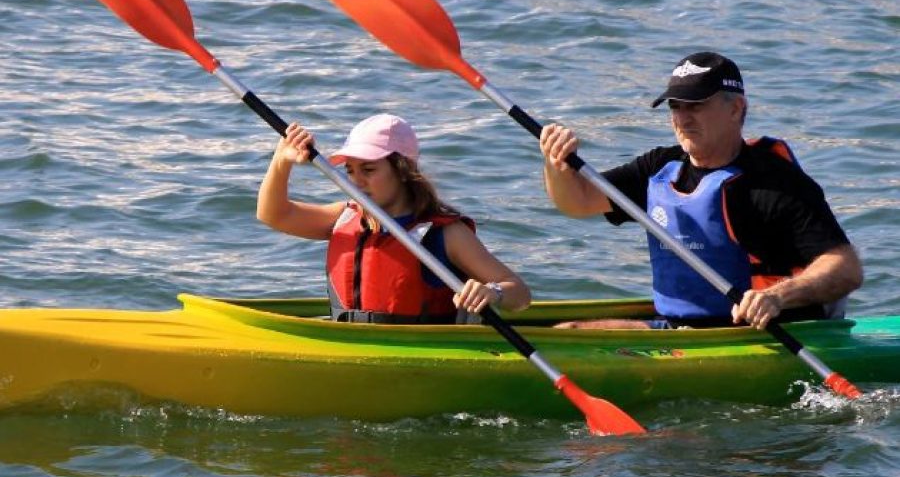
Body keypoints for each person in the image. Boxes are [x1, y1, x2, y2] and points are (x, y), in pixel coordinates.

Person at [539, 52, 862, 330]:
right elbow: (578, 202)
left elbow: (845, 268)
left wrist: (776, 297)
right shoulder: (660, 167)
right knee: (569, 329)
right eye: (675, 107)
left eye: (695, 105)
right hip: (681, 328)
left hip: (763, 332)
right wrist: (556, 164)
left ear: (735, 109)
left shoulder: (775, 184)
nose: (682, 118)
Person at [257, 113, 531, 324]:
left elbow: (519, 294)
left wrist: (492, 292)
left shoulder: (446, 234)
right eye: (351, 171)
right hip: (350, 342)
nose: (357, 181)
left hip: (419, 354)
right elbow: (273, 214)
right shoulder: (344, 217)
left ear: (402, 169)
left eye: (369, 169)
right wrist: (282, 161)